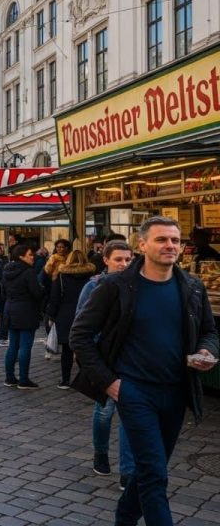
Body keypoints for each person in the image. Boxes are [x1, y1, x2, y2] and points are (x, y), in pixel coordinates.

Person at [70, 217, 218, 525]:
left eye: (175, 241)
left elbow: (209, 330)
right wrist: (110, 383)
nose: (170, 246)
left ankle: (124, 518)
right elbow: (79, 336)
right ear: (143, 245)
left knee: (152, 468)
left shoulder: (191, 286)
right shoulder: (115, 285)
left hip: (177, 391)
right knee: (154, 474)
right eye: (162, 240)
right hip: (134, 392)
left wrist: (207, 351)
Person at [76, 240, 134, 482]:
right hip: (105, 360)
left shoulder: (137, 286)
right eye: (118, 259)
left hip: (131, 359)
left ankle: (128, 471)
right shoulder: (93, 286)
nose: (123, 264)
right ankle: (101, 454)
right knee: (104, 411)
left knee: (130, 416)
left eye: (128, 260)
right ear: (106, 260)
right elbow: (81, 326)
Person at [46, 249, 96, 389]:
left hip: (65, 315)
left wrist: (51, 316)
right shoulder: (91, 277)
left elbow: (54, 298)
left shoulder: (62, 277)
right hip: (86, 314)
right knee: (85, 348)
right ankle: (87, 378)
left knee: (67, 349)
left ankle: (65, 380)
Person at [2, 244, 44, 389]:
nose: (33, 257)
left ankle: (9, 377)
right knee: (25, 346)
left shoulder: (7, 270)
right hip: (26, 311)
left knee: (13, 345)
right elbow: (37, 293)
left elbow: (3, 291)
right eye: (30, 255)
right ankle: (24, 379)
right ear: (21, 257)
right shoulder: (28, 272)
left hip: (10, 309)